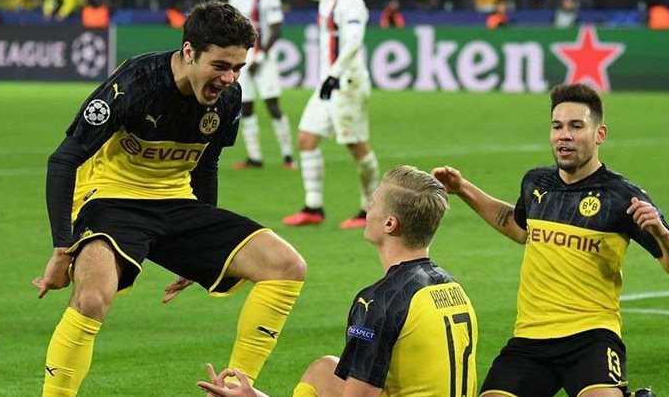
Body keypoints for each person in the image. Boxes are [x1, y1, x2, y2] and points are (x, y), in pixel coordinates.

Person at [33, 0, 306, 397]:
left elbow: (206, 164)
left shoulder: (228, 98)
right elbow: (63, 160)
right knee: (91, 299)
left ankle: (235, 390)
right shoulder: (135, 83)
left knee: (287, 266)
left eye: (238, 68)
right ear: (189, 51)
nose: (230, 78)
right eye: (220, 66)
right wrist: (62, 250)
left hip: (176, 202)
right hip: (109, 200)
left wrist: (201, 249)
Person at [432, 83, 669, 397]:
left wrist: (661, 233)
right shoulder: (536, 183)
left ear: (600, 134)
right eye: (557, 126)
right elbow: (516, 226)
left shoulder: (621, 196)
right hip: (530, 338)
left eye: (576, 126)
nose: (564, 135)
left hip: (591, 336)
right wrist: (462, 188)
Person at [199, 166, 478, 397]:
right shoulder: (453, 288)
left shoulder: (378, 302)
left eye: (373, 203)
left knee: (321, 374)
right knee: (325, 370)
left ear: (389, 224)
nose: (367, 209)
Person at [269, 0, 380, 229]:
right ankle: (313, 206)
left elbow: (354, 41)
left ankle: (372, 209)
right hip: (328, 83)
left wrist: (334, 74)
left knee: (357, 146)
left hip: (346, 83)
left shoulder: (351, 2)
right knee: (307, 138)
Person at [228, 0, 296, 171]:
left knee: (272, 104)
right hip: (242, 58)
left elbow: (275, 29)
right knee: (246, 106)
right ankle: (254, 157)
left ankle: (288, 156)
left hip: (265, 58)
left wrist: (261, 56)